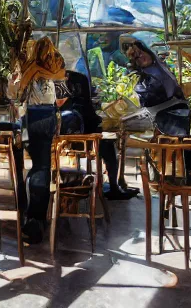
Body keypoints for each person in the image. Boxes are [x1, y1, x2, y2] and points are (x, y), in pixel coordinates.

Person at [11, 36, 80, 244]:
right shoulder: (55, 66)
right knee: (41, 166)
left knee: (35, 168)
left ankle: (33, 220)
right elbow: (62, 95)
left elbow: (18, 93)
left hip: (33, 115)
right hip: (50, 115)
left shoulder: (30, 67)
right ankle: (35, 216)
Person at [123, 36, 191, 176]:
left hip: (174, 117)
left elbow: (162, 93)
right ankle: (165, 177)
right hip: (162, 118)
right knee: (164, 153)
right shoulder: (144, 75)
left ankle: (176, 176)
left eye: (141, 53)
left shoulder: (159, 71)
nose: (140, 58)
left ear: (148, 51)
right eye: (136, 58)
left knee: (173, 152)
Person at [62, 69, 137, 199]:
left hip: (64, 143)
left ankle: (114, 185)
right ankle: (114, 187)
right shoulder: (82, 103)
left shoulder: (64, 101)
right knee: (108, 145)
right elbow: (94, 122)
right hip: (84, 142)